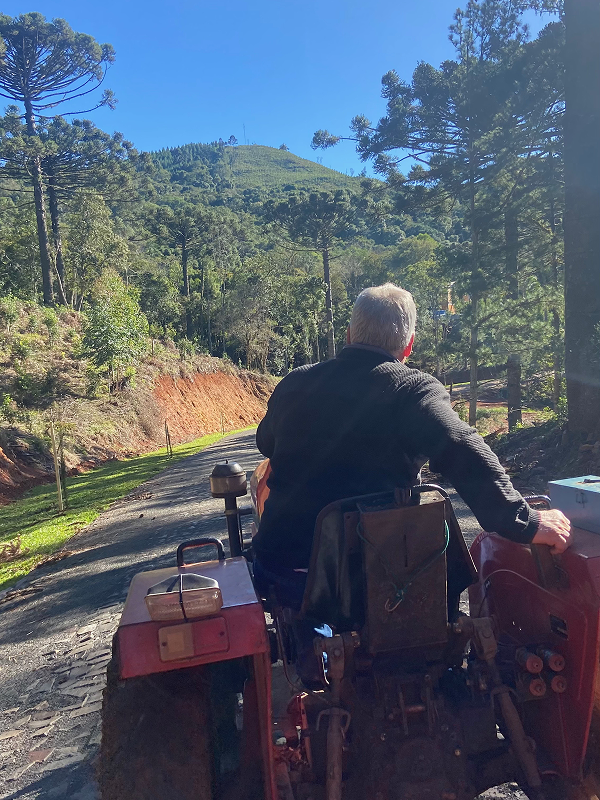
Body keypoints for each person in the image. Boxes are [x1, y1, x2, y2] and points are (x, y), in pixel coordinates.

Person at [253, 283, 571, 607]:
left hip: (281, 572)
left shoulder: (294, 382)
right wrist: (523, 520)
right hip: (378, 579)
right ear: (409, 346)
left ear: (348, 335)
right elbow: (462, 446)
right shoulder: (412, 390)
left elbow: (265, 442)